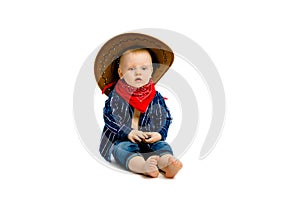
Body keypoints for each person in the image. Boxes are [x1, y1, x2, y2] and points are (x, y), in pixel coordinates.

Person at [94, 33, 182, 178]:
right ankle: (143, 167)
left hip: (148, 139)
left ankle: (167, 163)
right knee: (123, 149)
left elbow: (164, 117)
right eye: (131, 69)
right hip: (122, 139)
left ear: (151, 71)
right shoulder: (116, 97)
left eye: (144, 68)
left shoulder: (155, 96)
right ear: (121, 73)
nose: (138, 73)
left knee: (162, 146)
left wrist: (159, 133)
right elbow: (111, 119)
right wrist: (128, 132)